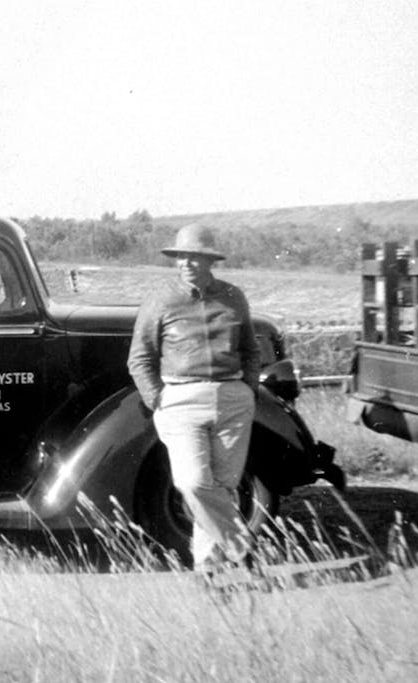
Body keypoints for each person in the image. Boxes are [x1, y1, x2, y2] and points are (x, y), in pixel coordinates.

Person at [127, 223, 259, 570]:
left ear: (210, 260)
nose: (185, 263)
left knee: (221, 488)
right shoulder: (160, 300)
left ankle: (207, 571)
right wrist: (158, 399)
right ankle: (242, 548)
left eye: (194, 257)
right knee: (193, 484)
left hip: (232, 400)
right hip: (181, 401)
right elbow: (139, 357)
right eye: (180, 256)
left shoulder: (233, 296)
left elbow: (250, 350)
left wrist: (248, 389)